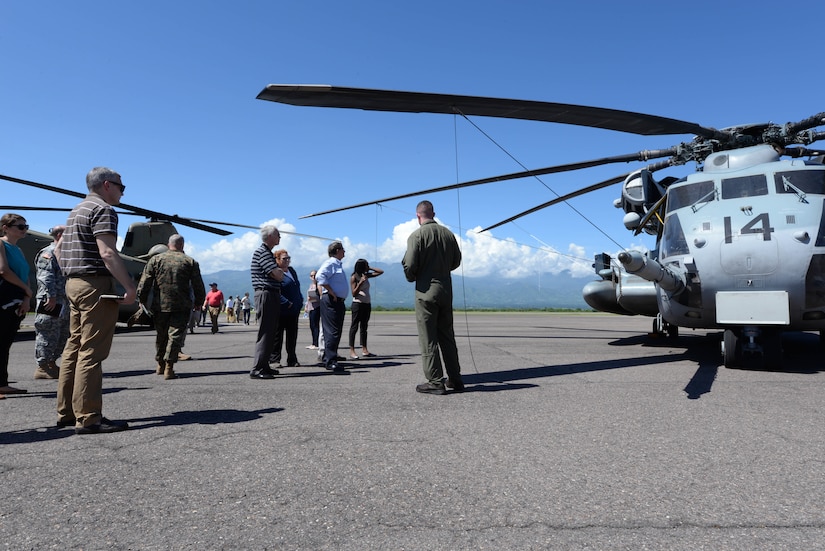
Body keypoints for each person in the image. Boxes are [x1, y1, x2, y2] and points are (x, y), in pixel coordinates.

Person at [57, 167, 136, 433]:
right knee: (92, 351)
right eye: (120, 187)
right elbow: (107, 252)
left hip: (73, 283)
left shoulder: (76, 210)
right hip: (94, 284)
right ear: (106, 185)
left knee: (74, 348)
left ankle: (66, 412)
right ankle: (89, 417)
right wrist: (129, 286)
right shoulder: (103, 210)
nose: (122, 192)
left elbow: (59, 251)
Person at [401, 200, 464, 395]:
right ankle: (455, 378)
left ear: (418, 216)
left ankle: (436, 381)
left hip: (426, 292)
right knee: (447, 336)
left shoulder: (416, 236)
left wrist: (414, 276)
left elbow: (410, 264)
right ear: (433, 213)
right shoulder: (448, 234)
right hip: (446, 291)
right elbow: (456, 261)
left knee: (428, 338)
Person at [137, 234, 205, 380]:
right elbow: (198, 285)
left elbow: (145, 282)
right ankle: (169, 367)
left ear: (169, 245)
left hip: (160, 305)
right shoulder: (190, 261)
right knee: (175, 336)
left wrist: (141, 299)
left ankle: (160, 365)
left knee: (161, 335)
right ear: (182, 246)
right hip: (181, 305)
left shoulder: (156, 260)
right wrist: (199, 301)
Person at [0, 213, 33, 396]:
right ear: (6, 228)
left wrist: (27, 298)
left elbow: (25, 275)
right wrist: (26, 291)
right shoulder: (1, 244)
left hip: (17, 299)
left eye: (25, 226)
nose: (24, 230)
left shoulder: (18, 250)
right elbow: (3, 270)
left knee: (5, 343)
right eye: (20, 227)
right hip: (4, 299)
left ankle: (2, 383)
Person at [33, 225, 70, 380]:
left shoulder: (63, 253)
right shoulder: (48, 253)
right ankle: (42, 367)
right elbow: (45, 277)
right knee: (47, 333)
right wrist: (51, 296)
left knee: (60, 334)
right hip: (51, 301)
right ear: (60, 234)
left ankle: (51, 363)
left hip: (62, 301)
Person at [250, 225, 284, 379]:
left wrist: (279, 271)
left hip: (270, 294)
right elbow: (277, 275)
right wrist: (280, 271)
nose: (280, 238)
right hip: (266, 294)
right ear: (270, 237)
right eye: (278, 235)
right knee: (265, 331)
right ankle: (257, 368)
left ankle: (264, 364)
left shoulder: (267, 253)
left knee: (271, 331)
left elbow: (278, 273)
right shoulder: (262, 253)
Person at [316, 241, 348, 373]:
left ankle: (330, 357)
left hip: (338, 301)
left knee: (336, 331)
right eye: (342, 249)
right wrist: (331, 291)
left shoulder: (337, 264)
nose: (344, 252)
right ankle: (330, 361)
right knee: (332, 331)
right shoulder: (331, 263)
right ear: (337, 251)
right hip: (331, 301)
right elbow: (320, 276)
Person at [269, 249, 302, 367]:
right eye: (284, 259)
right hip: (281, 309)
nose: (287, 261)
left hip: (294, 309)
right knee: (278, 335)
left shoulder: (291, 271)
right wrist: (286, 302)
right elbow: (276, 290)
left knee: (292, 335)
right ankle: (274, 359)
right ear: (277, 260)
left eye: (288, 258)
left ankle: (292, 358)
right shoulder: (276, 272)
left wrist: (300, 300)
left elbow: (296, 286)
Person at [348, 259, 383, 359]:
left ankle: (365, 349)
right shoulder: (354, 277)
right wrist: (360, 283)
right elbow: (354, 293)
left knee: (364, 327)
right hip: (357, 304)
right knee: (354, 327)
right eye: (366, 265)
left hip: (366, 304)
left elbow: (380, 272)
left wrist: (370, 268)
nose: (367, 267)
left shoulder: (366, 275)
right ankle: (352, 350)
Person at [305, 270, 320, 349]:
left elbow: (321, 297)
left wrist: (314, 298)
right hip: (311, 307)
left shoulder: (319, 286)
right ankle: (314, 342)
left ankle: (316, 343)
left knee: (315, 325)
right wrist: (306, 306)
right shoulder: (311, 285)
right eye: (311, 275)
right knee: (312, 325)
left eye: (314, 275)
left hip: (316, 307)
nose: (313, 277)